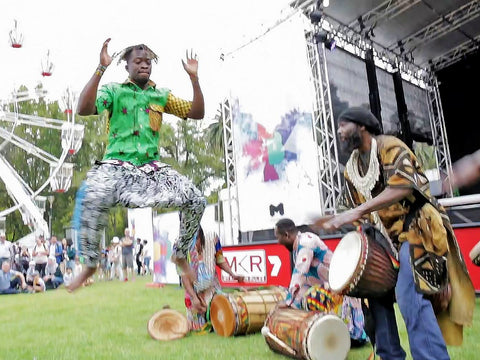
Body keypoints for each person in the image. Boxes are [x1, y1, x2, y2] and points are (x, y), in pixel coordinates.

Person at [316, 107, 475, 359]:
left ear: (362, 127)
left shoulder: (390, 147)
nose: (338, 132)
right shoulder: (351, 170)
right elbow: (351, 210)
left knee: (408, 294)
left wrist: (356, 212)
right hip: (384, 238)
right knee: (371, 292)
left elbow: (402, 186)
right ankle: (389, 355)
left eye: (343, 125)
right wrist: (338, 221)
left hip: (419, 228)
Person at [69, 39, 206, 291]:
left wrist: (194, 79)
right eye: (138, 62)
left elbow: (197, 113)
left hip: (150, 170)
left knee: (196, 200)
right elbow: (83, 108)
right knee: (92, 194)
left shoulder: (160, 95)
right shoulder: (114, 91)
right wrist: (100, 68)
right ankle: (89, 263)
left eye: (148, 62)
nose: (144, 66)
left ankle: (179, 254)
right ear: (127, 66)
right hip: (117, 167)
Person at [274, 218, 367, 346]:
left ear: (286, 235)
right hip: (335, 288)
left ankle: (351, 335)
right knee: (309, 297)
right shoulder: (299, 247)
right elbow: (304, 283)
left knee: (314, 298)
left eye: (278, 237)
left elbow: (300, 273)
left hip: (342, 287)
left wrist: (289, 300)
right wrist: (292, 305)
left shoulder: (306, 243)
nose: (278, 242)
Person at [182, 227, 243, 332]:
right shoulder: (180, 246)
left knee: (223, 319)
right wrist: (194, 298)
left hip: (212, 288)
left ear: (201, 236)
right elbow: (184, 277)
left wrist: (233, 274)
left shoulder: (213, 238)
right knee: (199, 328)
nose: (193, 245)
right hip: (193, 292)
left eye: (196, 240)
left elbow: (220, 259)